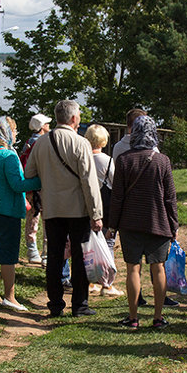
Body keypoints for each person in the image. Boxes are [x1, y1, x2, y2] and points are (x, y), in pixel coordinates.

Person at [22, 99, 104, 317]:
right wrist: (96, 214)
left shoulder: (40, 143)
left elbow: (29, 174)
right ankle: (79, 305)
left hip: (52, 208)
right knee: (80, 258)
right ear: (74, 118)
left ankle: (55, 304)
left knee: (55, 257)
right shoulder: (81, 143)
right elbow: (89, 181)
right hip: (78, 210)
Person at [107, 115, 178, 330]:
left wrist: (113, 225)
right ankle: (158, 317)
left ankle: (133, 317)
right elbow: (170, 197)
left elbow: (117, 196)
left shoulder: (124, 160)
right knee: (158, 268)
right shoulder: (162, 161)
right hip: (158, 222)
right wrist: (174, 225)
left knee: (133, 269)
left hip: (130, 223)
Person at [0, 116, 41, 312]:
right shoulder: (9, 156)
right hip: (8, 211)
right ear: (6, 133)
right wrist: (40, 181)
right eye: (13, 131)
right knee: (8, 256)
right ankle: (10, 296)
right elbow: (17, 185)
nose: (15, 135)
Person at [85, 123, 123, 297]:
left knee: (87, 244)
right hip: (105, 207)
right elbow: (116, 184)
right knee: (107, 242)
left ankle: (90, 281)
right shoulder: (107, 160)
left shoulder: (82, 158)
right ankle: (107, 284)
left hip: (86, 206)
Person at [20, 113, 51, 264]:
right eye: (47, 124)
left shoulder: (28, 142)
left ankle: (32, 250)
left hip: (31, 187)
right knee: (47, 218)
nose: (49, 126)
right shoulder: (44, 143)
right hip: (44, 185)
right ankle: (46, 252)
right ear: (42, 126)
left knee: (32, 218)